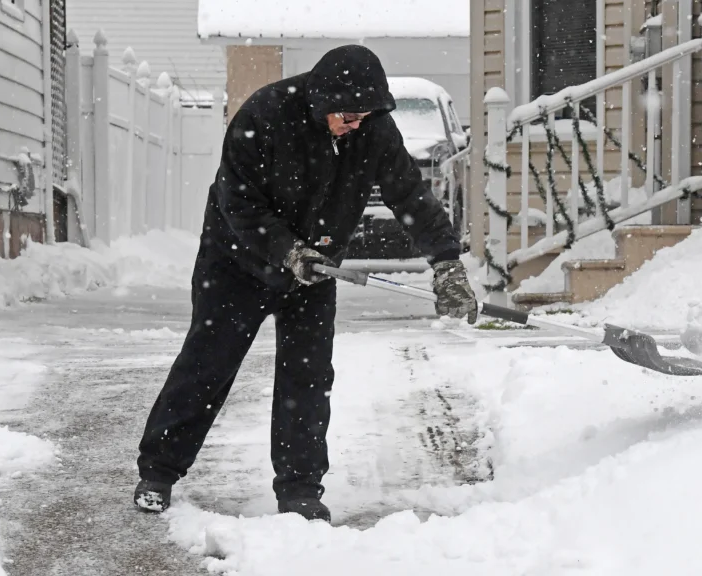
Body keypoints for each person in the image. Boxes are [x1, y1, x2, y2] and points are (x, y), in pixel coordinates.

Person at [132, 45, 479, 523]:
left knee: (308, 377)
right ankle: (158, 472)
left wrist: (446, 263)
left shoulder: (373, 128)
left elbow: (410, 195)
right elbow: (239, 201)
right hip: (238, 261)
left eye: (363, 116)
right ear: (322, 101)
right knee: (209, 363)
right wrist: (287, 250)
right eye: (347, 115)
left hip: (318, 268)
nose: (354, 125)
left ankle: (299, 489)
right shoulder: (266, 113)